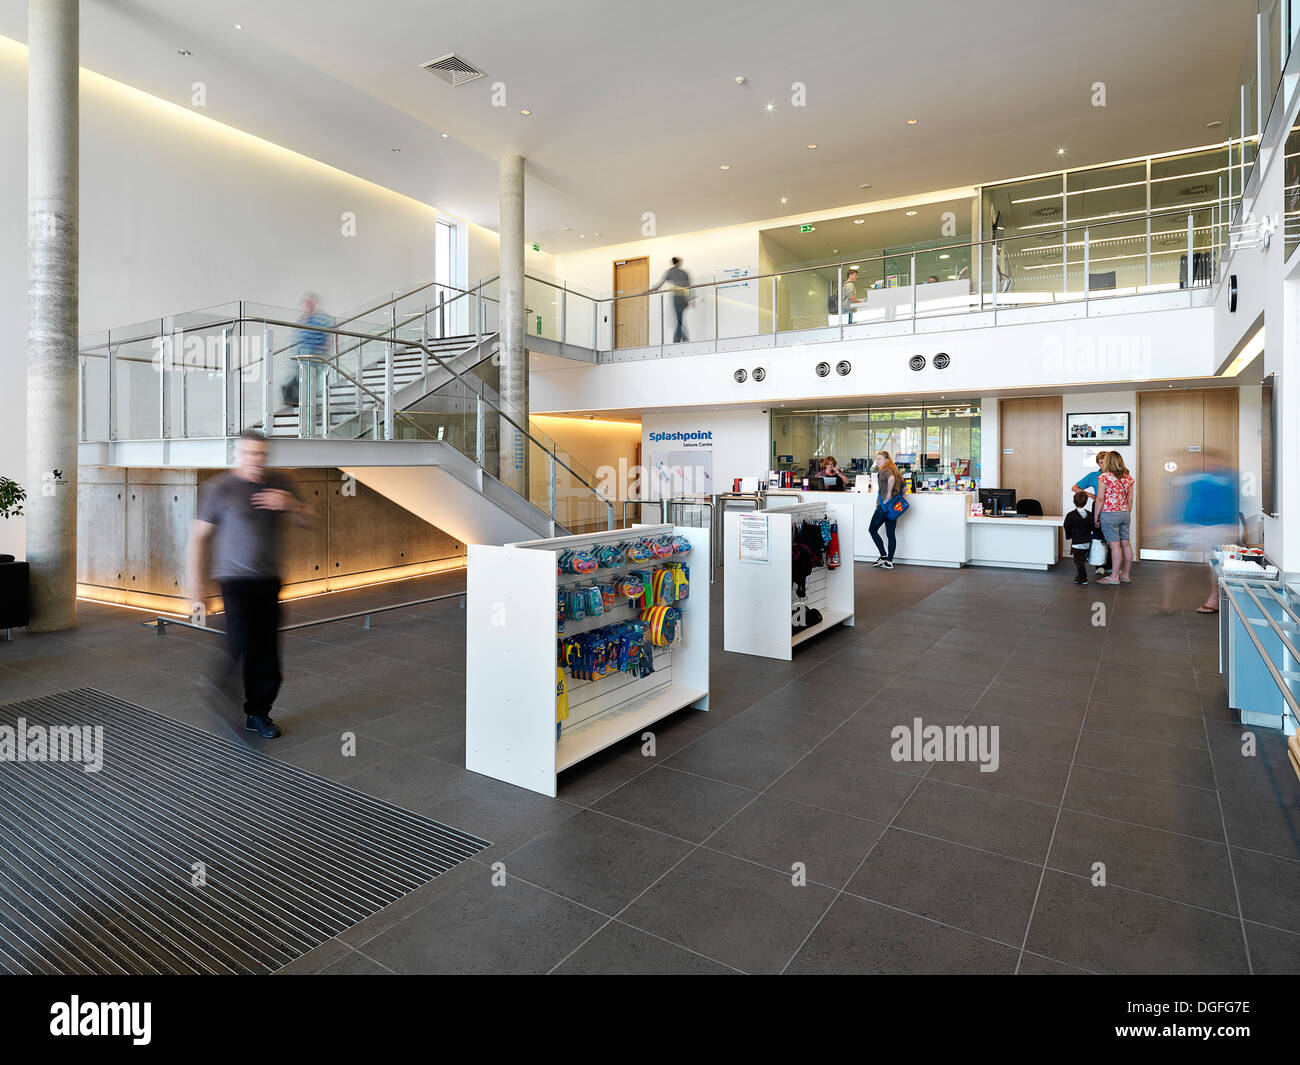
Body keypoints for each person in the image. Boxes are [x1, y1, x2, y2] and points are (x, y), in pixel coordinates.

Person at [188, 430, 312, 738]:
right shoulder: (220, 488)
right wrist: (195, 589)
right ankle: (219, 686)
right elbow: (198, 538)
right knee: (241, 640)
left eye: (261, 454)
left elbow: (309, 520)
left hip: (269, 582)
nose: (256, 460)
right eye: (250, 454)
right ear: (237, 454)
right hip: (233, 581)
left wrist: (291, 504)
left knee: (267, 654)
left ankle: (257, 714)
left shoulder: (282, 483)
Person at [281, 293, 332, 407]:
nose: (307, 305)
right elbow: (297, 340)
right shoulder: (302, 320)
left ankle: (310, 405)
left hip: (315, 357)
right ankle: (307, 404)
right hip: (302, 357)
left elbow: (329, 336)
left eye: (309, 303)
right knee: (304, 381)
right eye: (305, 303)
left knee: (310, 381)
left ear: (314, 303)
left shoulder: (321, 318)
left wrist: (324, 352)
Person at [1094, 451, 1135, 586]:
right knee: (1126, 544)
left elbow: (1100, 498)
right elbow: (1130, 499)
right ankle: (1126, 575)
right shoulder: (1128, 478)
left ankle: (1114, 576)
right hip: (1124, 513)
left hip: (1109, 514)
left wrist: (1096, 515)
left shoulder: (1104, 477)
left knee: (1114, 546)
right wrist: (1126, 512)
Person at [1071, 450, 1110, 577]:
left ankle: (1110, 566)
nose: (1103, 465)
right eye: (1100, 462)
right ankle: (1099, 566)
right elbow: (1075, 488)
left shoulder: (1115, 476)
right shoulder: (1094, 476)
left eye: (1105, 462)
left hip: (1112, 509)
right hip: (1098, 507)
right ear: (1098, 464)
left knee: (1111, 538)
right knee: (1099, 536)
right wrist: (1091, 495)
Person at [869, 450, 906, 569]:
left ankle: (883, 555)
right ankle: (889, 561)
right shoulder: (896, 471)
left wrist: (888, 495)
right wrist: (897, 498)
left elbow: (890, 479)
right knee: (891, 534)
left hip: (884, 506)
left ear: (886, 460)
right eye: (877, 459)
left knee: (872, 530)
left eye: (879, 459)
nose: (877, 461)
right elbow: (905, 488)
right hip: (893, 508)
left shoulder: (885, 470)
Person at [651, 257, 692, 343]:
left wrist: (651, 289)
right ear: (678, 262)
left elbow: (660, 283)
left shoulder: (669, 272)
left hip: (677, 298)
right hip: (683, 297)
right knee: (679, 319)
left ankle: (679, 339)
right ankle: (683, 337)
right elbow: (689, 286)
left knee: (679, 319)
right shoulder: (684, 272)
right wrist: (690, 299)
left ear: (673, 263)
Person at [1063, 491, 1094, 585]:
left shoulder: (1070, 515)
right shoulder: (1090, 514)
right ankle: (1081, 576)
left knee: (1078, 561)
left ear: (1074, 501)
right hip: (1087, 541)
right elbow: (1092, 527)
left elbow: (1066, 526)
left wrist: (1069, 536)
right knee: (1081, 560)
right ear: (1086, 501)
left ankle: (1082, 578)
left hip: (1077, 542)